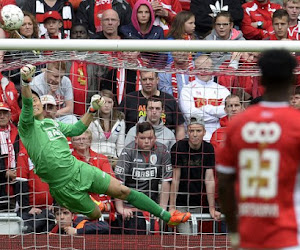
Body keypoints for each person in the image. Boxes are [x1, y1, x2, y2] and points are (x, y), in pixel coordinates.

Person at [19, 64, 190, 227]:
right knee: (94, 214)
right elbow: (26, 103)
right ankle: (81, 202)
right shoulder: (27, 127)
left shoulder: (54, 123)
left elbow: (78, 128)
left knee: (123, 191)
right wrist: (26, 82)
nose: (33, 103)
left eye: (36, 100)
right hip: (62, 186)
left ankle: (167, 216)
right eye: (31, 101)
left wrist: (92, 110)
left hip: (79, 169)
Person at [217, 49, 300, 249]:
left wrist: (235, 232)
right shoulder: (296, 124)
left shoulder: (238, 124)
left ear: (260, 78)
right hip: (289, 237)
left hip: (249, 237)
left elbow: (224, 183)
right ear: (292, 80)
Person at [114, 122, 173, 234]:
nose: (146, 141)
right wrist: (120, 208)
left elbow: (166, 181)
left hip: (152, 206)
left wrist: (162, 208)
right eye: (142, 138)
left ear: (155, 138)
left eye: (150, 138)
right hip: (130, 207)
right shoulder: (128, 151)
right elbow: (118, 182)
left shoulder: (163, 151)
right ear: (136, 139)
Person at [169, 114, 221, 234]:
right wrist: (172, 207)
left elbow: (209, 179)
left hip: (199, 202)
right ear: (187, 132)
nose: (195, 134)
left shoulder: (208, 149)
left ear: (204, 132)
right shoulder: (179, 147)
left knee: (200, 238)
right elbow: (175, 179)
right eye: (192, 131)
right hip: (181, 202)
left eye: (198, 131)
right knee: (188, 237)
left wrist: (212, 208)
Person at [120, 70, 186, 140]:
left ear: (157, 80)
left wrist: (178, 146)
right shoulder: (129, 99)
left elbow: (180, 127)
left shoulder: (169, 99)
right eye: (144, 79)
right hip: (135, 145)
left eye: (151, 79)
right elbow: (118, 122)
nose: (148, 82)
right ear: (140, 81)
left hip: (164, 144)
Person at [179, 55, 230, 142]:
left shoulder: (223, 90)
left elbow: (227, 113)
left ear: (213, 69)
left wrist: (203, 107)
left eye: (206, 68)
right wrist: (216, 116)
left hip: (220, 139)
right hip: (195, 140)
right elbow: (191, 115)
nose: (203, 72)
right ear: (194, 70)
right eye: (200, 68)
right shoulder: (187, 90)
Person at [71, 130, 115, 214]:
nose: (81, 141)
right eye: (78, 139)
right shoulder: (69, 160)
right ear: (72, 143)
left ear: (90, 140)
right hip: (79, 202)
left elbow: (111, 180)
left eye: (84, 139)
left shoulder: (101, 158)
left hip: (102, 202)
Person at [88, 90, 125, 169]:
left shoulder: (120, 120)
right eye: (104, 102)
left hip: (112, 158)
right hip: (95, 157)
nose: (107, 105)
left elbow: (120, 145)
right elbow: (87, 141)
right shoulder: (91, 118)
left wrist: (120, 160)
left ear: (113, 104)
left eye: (109, 102)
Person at [0, 102, 20, 212]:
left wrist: (18, 171)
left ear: (9, 116)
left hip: (17, 180)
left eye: (4, 113)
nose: (2, 116)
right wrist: (4, 172)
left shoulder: (17, 133)